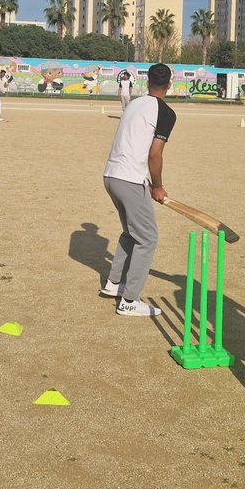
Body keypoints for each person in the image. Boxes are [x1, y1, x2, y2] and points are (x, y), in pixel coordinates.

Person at [100, 62, 176, 317]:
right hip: (130, 179)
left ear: (146, 82)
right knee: (148, 238)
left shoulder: (133, 103)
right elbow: (155, 155)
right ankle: (130, 299)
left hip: (111, 176)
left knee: (131, 234)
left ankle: (114, 284)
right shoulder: (165, 112)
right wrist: (158, 186)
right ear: (169, 84)